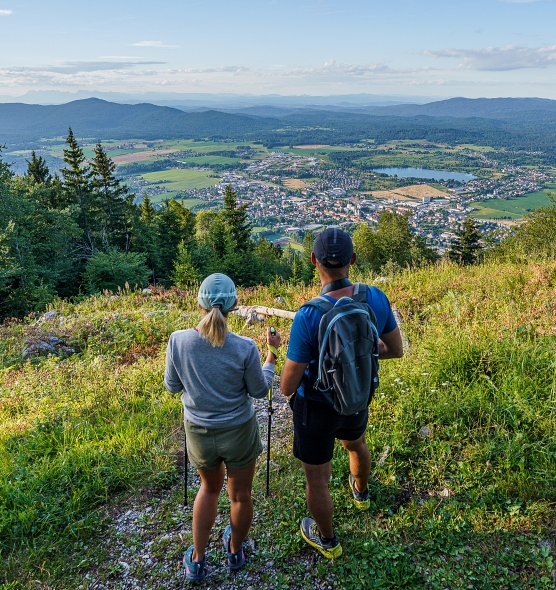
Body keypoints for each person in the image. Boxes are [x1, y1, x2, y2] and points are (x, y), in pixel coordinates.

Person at [280, 227, 404, 559]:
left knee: (317, 480)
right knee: (356, 443)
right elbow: (396, 350)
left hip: (317, 407)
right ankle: (361, 494)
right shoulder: (374, 297)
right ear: (352, 260)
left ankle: (329, 542)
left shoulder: (309, 314)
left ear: (313, 261)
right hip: (357, 396)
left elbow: (287, 386)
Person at [165, 273, 280, 582]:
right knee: (240, 495)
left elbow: (172, 386)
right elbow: (259, 390)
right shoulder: (243, 347)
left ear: (199, 303)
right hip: (239, 430)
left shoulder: (178, 341)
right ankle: (235, 550)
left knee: (209, 488)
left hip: (200, 432)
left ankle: (198, 559)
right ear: (235, 304)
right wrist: (271, 356)